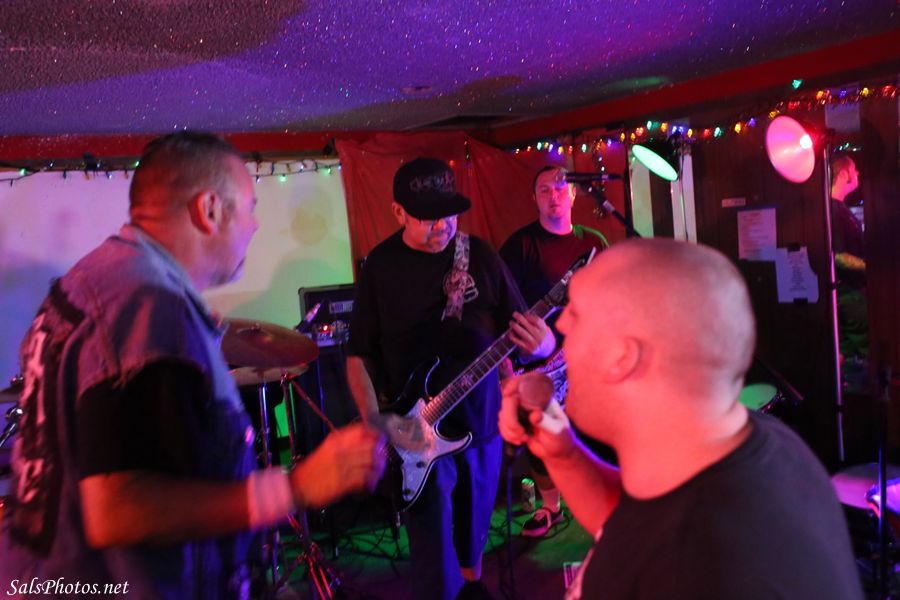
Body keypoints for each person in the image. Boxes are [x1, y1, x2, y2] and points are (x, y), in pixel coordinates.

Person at [0, 132, 386, 599]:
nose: (255, 225)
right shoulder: (146, 302)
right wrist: (295, 488)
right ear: (209, 209)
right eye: (250, 207)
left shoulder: (91, 280)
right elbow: (118, 509)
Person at [499, 238, 863, 599]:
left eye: (576, 313)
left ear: (624, 356)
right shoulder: (753, 445)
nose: (561, 324)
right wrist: (563, 453)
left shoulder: (693, 567)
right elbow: (633, 520)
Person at [346, 157, 555, 600]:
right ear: (398, 213)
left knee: (473, 548)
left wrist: (543, 344)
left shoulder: (479, 255)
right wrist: (374, 423)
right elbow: (359, 355)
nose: (442, 226)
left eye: (450, 214)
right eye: (428, 217)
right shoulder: (380, 267)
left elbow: (528, 335)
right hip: (416, 433)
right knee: (435, 558)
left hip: (481, 427)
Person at [499, 165, 608, 538]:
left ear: (574, 194)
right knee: (541, 436)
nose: (554, 195)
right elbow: (502, 307)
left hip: (582, 352)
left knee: (591, 430)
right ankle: (551, 507)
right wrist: (510, 365)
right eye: (544, 189)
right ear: (534, 198)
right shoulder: (519, 246)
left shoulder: (593, 243)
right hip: (537, 361)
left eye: (561, 187)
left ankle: (597, 499)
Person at [830, 154, 868, 390]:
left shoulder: (840, 209)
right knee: (874, 342)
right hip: (848, 294)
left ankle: (841, 392)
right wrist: (874, 269)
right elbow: (838, 256)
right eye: (854, 169)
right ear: (844, 174)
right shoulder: (834, 211)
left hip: (848, 293)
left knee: (844, 352)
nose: (858, 173)